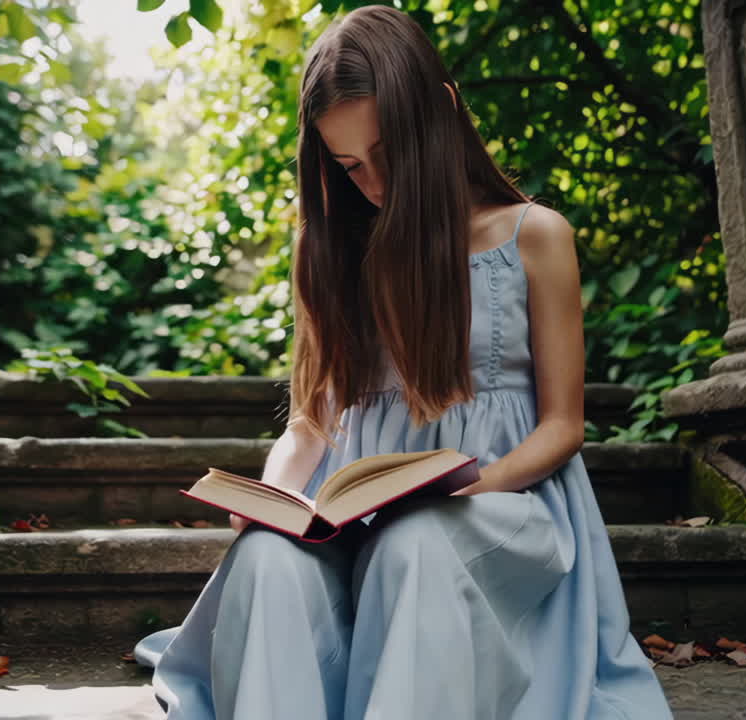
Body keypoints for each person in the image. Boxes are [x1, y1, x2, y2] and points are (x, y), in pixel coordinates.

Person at [132, 5, 674, 719]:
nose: (375, 183)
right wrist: (273, 500)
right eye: (350, 166)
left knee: (414, 543)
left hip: (499, 505)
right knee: (265, 558)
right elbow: (310, 421)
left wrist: (460, 492)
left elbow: (562, 427)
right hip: (356, 517)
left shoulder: (534, 236)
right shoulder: (333, 246)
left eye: (388, 155)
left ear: (442, 111)